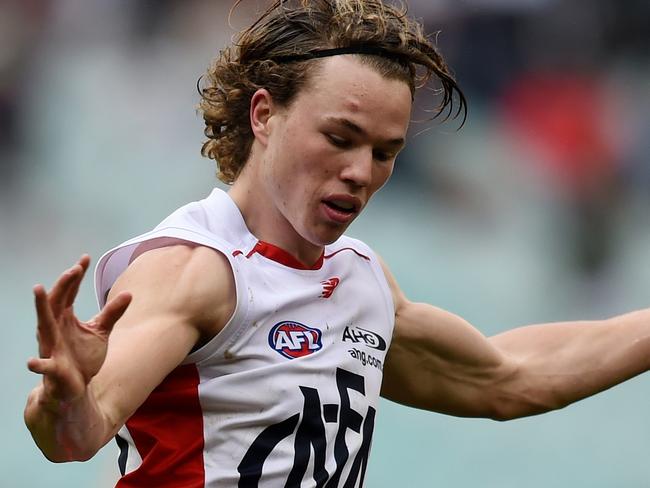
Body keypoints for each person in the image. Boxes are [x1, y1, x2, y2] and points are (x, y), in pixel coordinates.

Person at [24, 1, 650, 487]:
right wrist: (65, 396)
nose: (361, 171)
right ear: (264, 115)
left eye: (385, 151)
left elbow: (508, 378)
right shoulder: (196, 271)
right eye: (340, 137)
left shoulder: (359, 282)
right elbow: (78, 435)